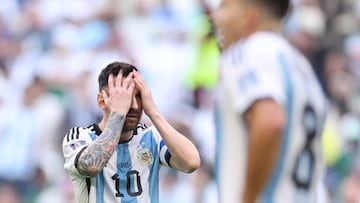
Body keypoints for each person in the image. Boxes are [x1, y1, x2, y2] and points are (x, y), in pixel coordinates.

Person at [213, 0, 327, 202]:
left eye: (225, 6)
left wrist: (247, 199)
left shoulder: (248, 51)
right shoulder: (300, 65)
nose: (216, 16)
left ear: (249, 17)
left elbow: (270, 122)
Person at [62, 61, 200, 203]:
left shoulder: (151, 137)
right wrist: (118, 113)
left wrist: (153, 112)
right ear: (102, 101)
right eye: (123, 97)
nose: (133, 105)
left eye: (138, 96)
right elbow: (91, 166)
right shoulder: (80, 137)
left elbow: (191, 162)